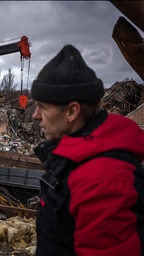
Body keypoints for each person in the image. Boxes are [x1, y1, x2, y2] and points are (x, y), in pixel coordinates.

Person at [30, 45, 144, 256]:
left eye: (43, 107)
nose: (35, 115)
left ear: (72, 112)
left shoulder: (103, 179)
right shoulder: (75, 160)